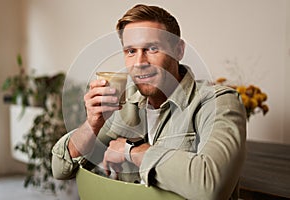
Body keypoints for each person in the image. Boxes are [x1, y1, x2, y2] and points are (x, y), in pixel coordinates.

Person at [52, 4, 246, 200]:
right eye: (130, 51)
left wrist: (131, 152)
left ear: (179, 50)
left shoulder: (218, 102)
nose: (139, 62)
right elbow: (60, 168)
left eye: (152, 49)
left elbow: (211, 186)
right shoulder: (123, 104)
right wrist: (92, 124)